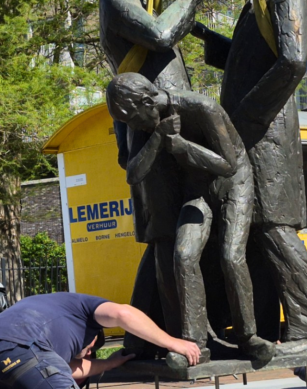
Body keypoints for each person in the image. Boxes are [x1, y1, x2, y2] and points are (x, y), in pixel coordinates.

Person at [191, 0, 307, 342]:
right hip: (253, 130)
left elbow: (292, 61)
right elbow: (253, 57)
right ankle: (261, 325)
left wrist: (245, 117)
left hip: (265, 131)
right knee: (253, 229)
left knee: (273, 227)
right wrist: (204, 36)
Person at [87, 0, 211, 353]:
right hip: (150, 123)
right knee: (166, 237)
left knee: (166, 234)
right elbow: (160, 35)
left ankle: (142, 341)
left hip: (157, 120)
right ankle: (177, 336)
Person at [106, 72, 275, 367]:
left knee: (231, 256)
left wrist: (181, 145)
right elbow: (133, 173)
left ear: (147, 102)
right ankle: (194, 345)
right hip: (198, 190)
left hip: (234, 184)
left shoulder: (201, 107)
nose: (134, 127)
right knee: (183, 256)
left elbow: (227, 164)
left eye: (133, 119)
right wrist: (158, 137)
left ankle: (249, 337)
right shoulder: (148, 124)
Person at [0, 293, 201, 389]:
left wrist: (109, 364)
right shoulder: (86, 309)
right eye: (88, 352)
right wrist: (172, 342)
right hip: (20, 349)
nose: (85, 356)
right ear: (93, 339)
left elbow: (68, 369)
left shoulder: (48, 308)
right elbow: (123, 313)